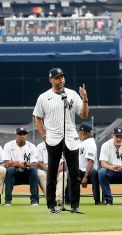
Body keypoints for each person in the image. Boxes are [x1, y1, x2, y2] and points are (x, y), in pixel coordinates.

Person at [33, 67, 88, 214]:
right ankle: (51, 205)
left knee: (75, 174)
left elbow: (83, 115)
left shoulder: (72, 94)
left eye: (62, 77)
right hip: (53, 138)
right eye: (57, 78)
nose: (61, 80)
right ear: (51, 80)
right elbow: (37, 117)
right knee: (52, 173)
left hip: (71, 137)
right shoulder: (43, 97)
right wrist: (43, 135)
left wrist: (85, 99)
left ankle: (75, 205)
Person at [3, 127, 39, 206]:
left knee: (33, 170)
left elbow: (35, 164)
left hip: (27, 173)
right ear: (16, 135)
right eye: (20, 134)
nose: (22, 136)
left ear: (26, 136)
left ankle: (34, 200)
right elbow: (6, 163)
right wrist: (20, 164)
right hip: (14, 174)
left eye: (24, 134)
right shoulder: (8, 145)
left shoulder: (32, 146)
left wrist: (25, 164)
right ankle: (8, 200)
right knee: (10, 170)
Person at [36, 141, 67, 206]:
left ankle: (58, 199)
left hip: (57, 169)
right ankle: (51, 198)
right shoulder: (40, 146)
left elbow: (64, 164)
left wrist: (56, 171)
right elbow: (38, 163)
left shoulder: (59, 145)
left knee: (63, 175)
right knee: (40, 174)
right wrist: (50, 171)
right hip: (44, 169)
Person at [78, 122, 100, 205]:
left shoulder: (90, 143)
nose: (78, 133)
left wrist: (85, 177)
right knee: (71, 174)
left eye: (79, 132)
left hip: (89, 171)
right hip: (81, 169)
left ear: (83, 133)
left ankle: (97, 200)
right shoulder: (83, 141)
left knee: (94, 172)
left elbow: (90, 162)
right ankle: (70, 199)